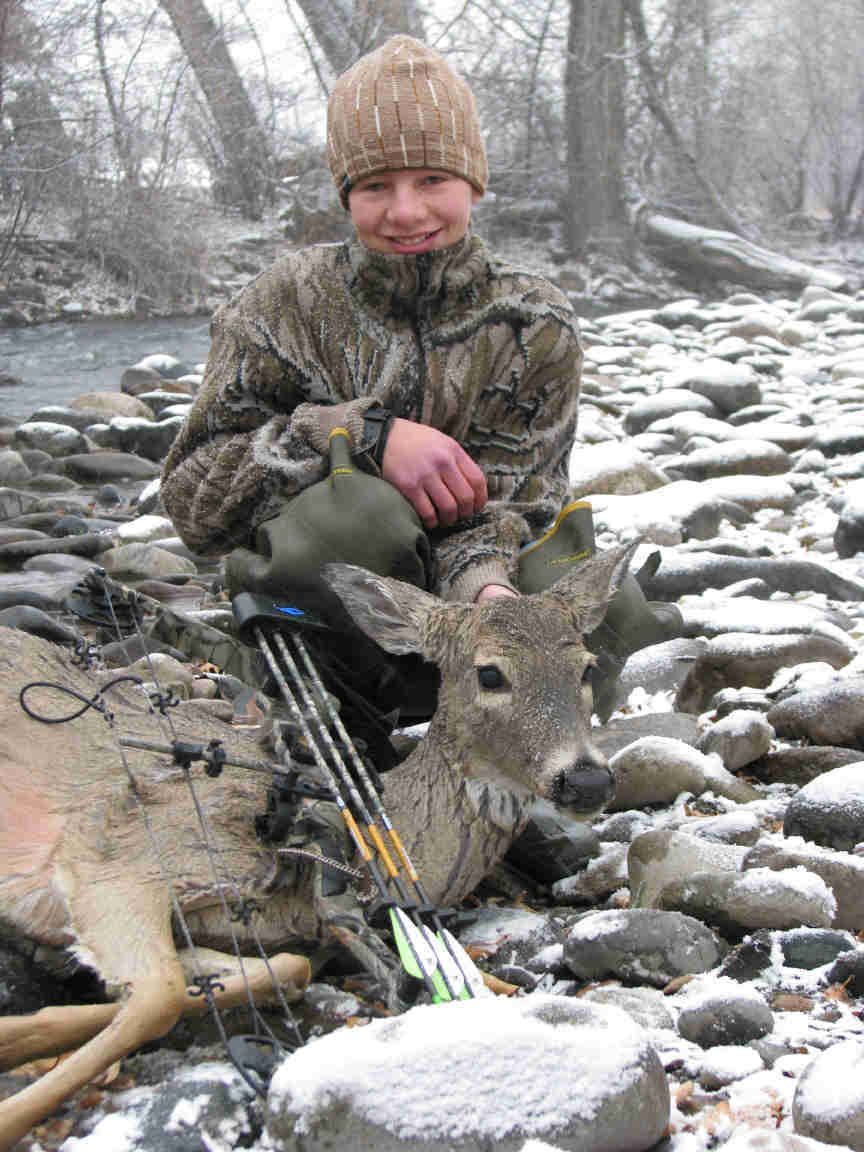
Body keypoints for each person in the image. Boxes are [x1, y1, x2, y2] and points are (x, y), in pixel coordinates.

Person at [159, 36, 680, 887]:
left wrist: (493, 599)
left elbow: (518, 496)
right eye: (375, 187)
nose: (406, 211)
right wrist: (354, 439)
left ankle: (504, 770)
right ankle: (346, 742)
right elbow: (192, 499)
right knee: (353, 512)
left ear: (473, 181)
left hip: (468, 608)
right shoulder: (279, 306)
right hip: (333, 606)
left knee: (604, 604)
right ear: (345, 193)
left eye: (431, 180)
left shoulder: (535, 321)